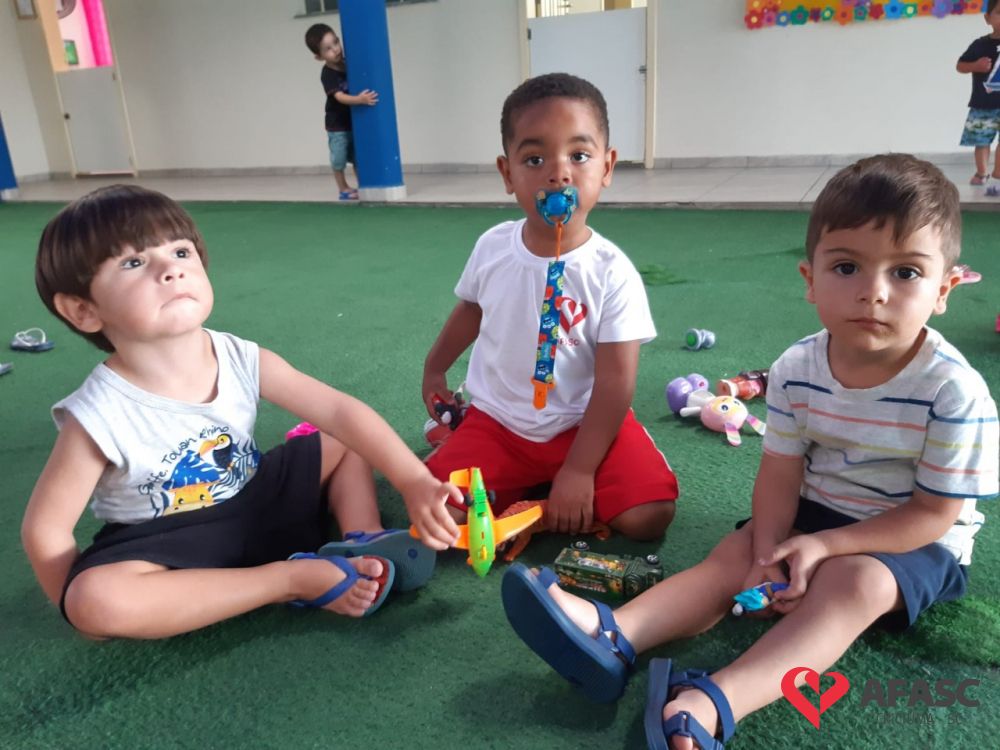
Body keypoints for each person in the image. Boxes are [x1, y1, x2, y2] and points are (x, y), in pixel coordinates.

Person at [500, 154, 999, 749]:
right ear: (810, 278)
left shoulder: (954, 390)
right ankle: (615, 634)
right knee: (734, 554)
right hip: (820, 507)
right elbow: (780, 475)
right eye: (847, 267)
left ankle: (713, 702)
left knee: (854, 585)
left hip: (910, 539)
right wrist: (768, 550)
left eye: (906, 272)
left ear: (944, 289)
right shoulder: (797, 367)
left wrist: (825, 547)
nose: (873, 292)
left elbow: (934, 515)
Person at [21, 185, 460, 640]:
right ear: (83, 310)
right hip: (173, 543)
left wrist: (414, 480)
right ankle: (289, 580)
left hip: (258, 497)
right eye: (133, 263)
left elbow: (339, 411)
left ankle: (361, 539)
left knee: (342, 439)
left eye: (180, 252)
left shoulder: (239, 357)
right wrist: (79, 611)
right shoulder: (97, 415)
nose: (170, 269)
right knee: (96, 599)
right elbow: (45, 530)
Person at [421, 73, 679, 542]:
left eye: (579, 156)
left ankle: (544, 497)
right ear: (507, 174)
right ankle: (523, 481)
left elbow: (616, 383)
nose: (559, 174)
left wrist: (580, 469)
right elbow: (471, 311)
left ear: (606, 167)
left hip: (585, 423)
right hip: (499, 424)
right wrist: (435, 368)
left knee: (649, 515)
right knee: (435, 509)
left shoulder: (612, 272)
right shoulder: (493, 247)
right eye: (535, 159)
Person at [304, 23, 378, 201]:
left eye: (336, 42)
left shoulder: (347, 63)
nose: (335, 49)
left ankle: (363, 184)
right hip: (337, 125)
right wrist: (360, 100)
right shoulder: (328, 74)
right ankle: (343, 188)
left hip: (353, 121)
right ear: (319, 57)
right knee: (339, 159)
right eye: (328, 49)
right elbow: (340, 97)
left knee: (358, 156)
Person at [957, 0, 1000, 189]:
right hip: (983, 104)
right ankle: (982, 172)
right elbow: (960, 66)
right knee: (981, 140)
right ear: (987, 18)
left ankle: (998, 173)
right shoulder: (980, 45)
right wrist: (975, 66)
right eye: (999, 12)